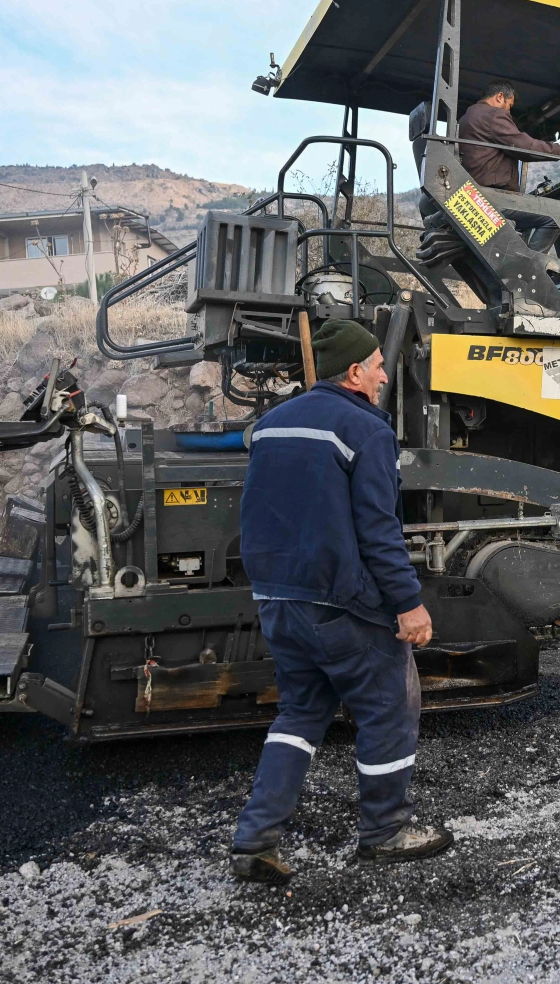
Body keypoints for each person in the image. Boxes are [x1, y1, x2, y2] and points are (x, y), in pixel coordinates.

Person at [230, 319, 449, 884]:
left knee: (300, 713)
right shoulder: (366, 429)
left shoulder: (270, 425)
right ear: (354, 372)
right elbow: (379, 529)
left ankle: (255, 839)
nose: (383, 377)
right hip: (339, 603)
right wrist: (408, 602)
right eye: (377, 366)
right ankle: (385, 830)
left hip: (277, 597)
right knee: (389, 707)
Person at [457, 79, 560, 251]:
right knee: (556, 217)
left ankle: (524, 259)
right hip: (492, 197)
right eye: (509, 106)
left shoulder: (466, 118)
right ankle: (532, 265)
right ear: (500, 97)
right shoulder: (493, 115)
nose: (509, 112)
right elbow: (524, 146)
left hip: (475, 195)